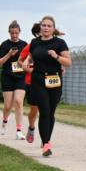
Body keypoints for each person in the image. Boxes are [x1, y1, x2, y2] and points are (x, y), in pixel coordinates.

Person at [20, 16, 70, 157]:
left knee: (51, 113)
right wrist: (26, 61)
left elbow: (68, 63)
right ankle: (46, 143)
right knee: (44, 110)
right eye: (44, 25)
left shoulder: (60, 43)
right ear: (40, 27)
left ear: (53, 29)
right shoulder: (35, 42)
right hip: (38, 79)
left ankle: (46, 139)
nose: (46, 28)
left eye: (49, 26)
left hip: (54, 80)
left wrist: (56, 57)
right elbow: (31, 56)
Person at [0, 21, 28, 139]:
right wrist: (9, 54)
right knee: (8, 105)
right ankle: (4, 121)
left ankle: (19, 131)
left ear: (19, 32)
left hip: (20, 77)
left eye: (16, 33)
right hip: (7, 77)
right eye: (12, 33)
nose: (14, 35)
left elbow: (31, 59)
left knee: (18, 102)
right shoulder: (4, 45)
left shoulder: (24, 44)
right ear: (9, 33)